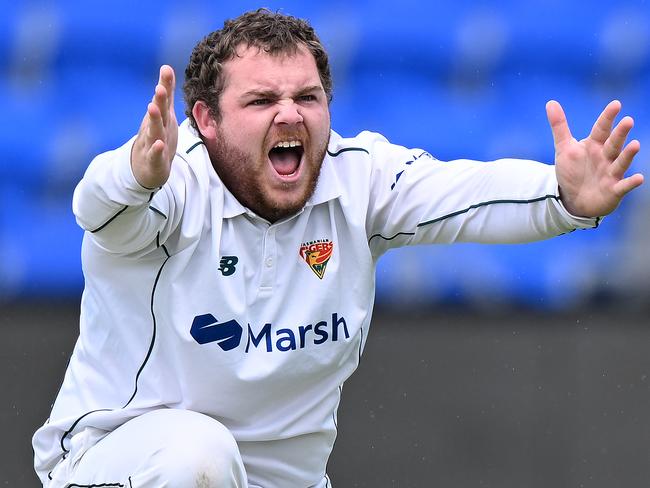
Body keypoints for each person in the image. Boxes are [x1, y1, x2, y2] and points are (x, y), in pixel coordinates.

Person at [33, 8, 643, 488]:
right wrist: (135, 174)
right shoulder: (173, 186)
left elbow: (468, 193)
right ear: (206, 121)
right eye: (261, 101)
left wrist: (561, 194)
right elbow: (97, 210)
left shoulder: (359, 177)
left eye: (307, 97)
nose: (290, 115)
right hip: (112, 461)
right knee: (201, 457)